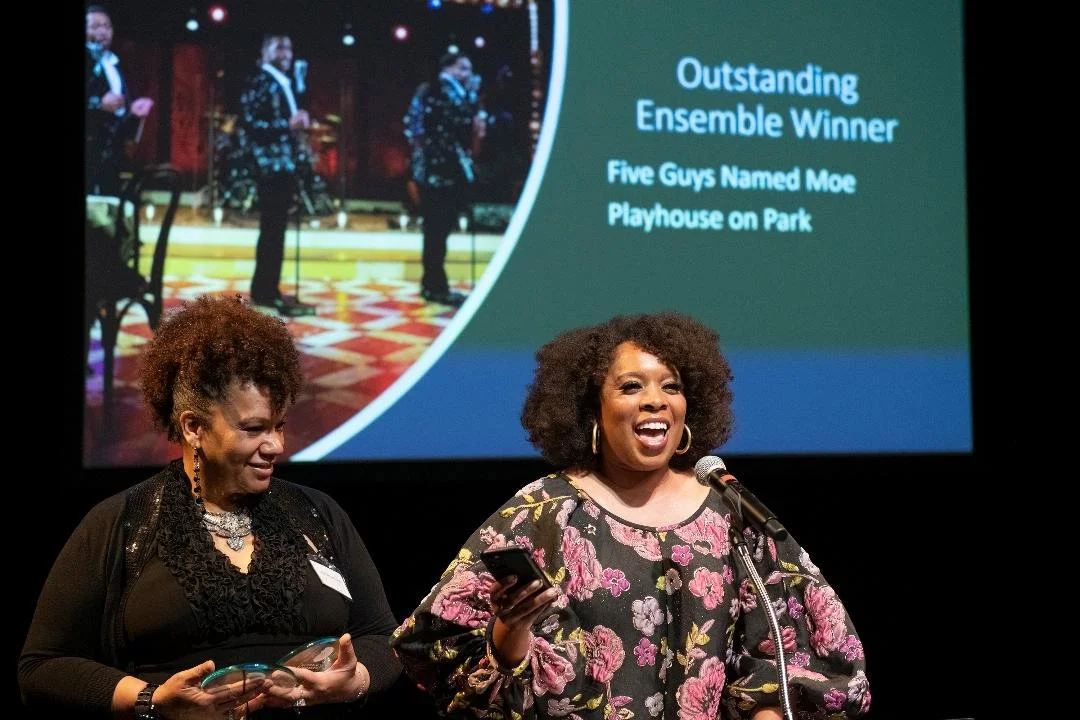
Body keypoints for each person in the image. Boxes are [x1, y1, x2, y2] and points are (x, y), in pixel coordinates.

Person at [390, 312, 871, 719]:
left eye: (671, 386)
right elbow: (439, 652)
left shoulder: (729, 511)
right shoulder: (544, 513)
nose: (655, 399)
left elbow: (795, 652)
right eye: (631, 386)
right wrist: (510, 630)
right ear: (593, 412)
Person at [21, 294, 402, 717]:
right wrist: (152, 700)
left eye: (279, 426)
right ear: (193, 427)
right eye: (254, 428)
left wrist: (356, 680)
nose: (275, 445)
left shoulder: (317, 514)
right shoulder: (123, 523)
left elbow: (382, 637)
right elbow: (43, 668)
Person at [239, 33, 316, 316]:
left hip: (283, 163)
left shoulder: (285, 81)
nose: (287, 53)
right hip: (269, 164)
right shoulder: (260, 80)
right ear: (264, 51)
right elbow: (250, 122)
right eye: (279, 47)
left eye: (289, 47)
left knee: (276, 229)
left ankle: (269, 288)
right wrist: (287, 124)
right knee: (272, 229)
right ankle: (265, 290)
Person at [404, 51, 487, 308]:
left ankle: (434, 283)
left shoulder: (443, 92)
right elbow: (449, 126)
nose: (468, 74)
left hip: (441, 170)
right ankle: (435, 285)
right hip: (439, 172)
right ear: (448, 68)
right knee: (437, 230)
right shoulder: (440, 91)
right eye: (463, 68)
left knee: (438, 229)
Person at [85, 4, 154, 196]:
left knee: (110, 206)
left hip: (110, 154)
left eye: (107, 26)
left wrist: (132, 111)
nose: (103, 31)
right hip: (89, 149)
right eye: (95, 26)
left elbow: (115, 111)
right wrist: (97, 104)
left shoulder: (114, 63)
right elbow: (99, 103)